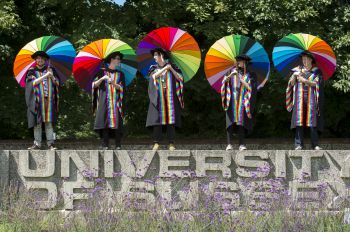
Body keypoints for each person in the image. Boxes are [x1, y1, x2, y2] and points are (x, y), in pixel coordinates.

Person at [146, 48, 184, 151]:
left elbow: (180, 78)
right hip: (157, 98)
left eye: (155, 55)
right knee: (157, 120)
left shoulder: (173, 67)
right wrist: (164, 69)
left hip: (170, 97)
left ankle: (171, 143)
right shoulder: (153, 67)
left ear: (161, 55)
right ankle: (156, 143)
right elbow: (152, 77)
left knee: (171, 120)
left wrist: (170, 68)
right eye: (154, 55)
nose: (154, 57)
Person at [286, 51, 324, 150]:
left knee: (313, 122)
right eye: (303, 59)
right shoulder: (297, 70)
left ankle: (315, 144)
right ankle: (298, 144)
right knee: (299, 122)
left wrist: (304, 81)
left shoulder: (317, 71)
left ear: (311, 60)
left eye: (306, 59)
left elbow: (317, 84)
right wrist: (294, 76)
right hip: (299, 100)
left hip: (312, 99)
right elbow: (291, 84)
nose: (304, 61)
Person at [221, 55, 257, 151]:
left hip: (243, 101)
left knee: (242, 122)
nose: (238, 63)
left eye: (240, 61)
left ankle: (242, 144)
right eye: (237, 61)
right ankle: (229, 144)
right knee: (230, 122)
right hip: (231, 100)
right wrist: (230, 76)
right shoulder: (231, 71)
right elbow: (224, 83)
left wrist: (240, 78)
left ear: (245, 62)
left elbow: (251, 88)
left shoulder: (250, 74)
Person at [26, 51, 60, 150]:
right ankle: (37, 143)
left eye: (41, 58)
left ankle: (51, 144)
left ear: (45, 60)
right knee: (37, 123)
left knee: (49, 122)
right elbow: (32, 83)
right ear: (35, 60)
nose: (39, 60)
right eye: (37, 58)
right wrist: (45, 76)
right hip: (37, 100)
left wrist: (52, 76)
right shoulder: (32, 71)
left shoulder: (51, 69)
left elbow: (57, 83)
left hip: (49, 99)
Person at [92, 51, 125, 150]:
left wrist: (113, 83)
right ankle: (105, 144)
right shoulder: (101, 72)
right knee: (104, 121)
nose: (119, 61)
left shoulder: (120, 74)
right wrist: (102, 78)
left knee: (117, 122)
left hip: (116, 102)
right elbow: (93, 85)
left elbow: (122, 88)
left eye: (120, 59)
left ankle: (118, 144)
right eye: (117, 58)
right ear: (112, 59)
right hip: (104, 100)